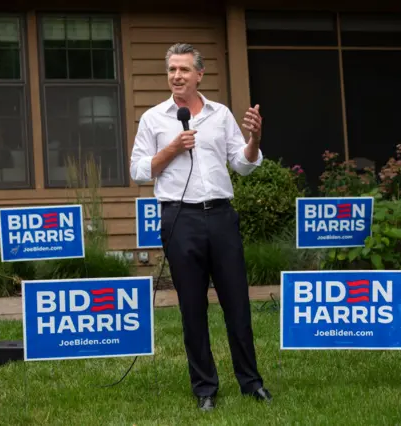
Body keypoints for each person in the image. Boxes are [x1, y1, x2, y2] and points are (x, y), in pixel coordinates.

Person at [130, 43, 272, 411]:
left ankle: (251, 382)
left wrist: (254, 139)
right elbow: (139, 170)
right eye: (172, 69)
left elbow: (242, 165)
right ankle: (205, 388)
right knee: (192, 308)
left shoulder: (220, 114)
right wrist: (173, 148)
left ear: (199, 75)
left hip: (221, 216)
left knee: (236, 305)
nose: (177, 76)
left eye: (184, 70)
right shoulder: (153, 118)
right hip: (180, 218)